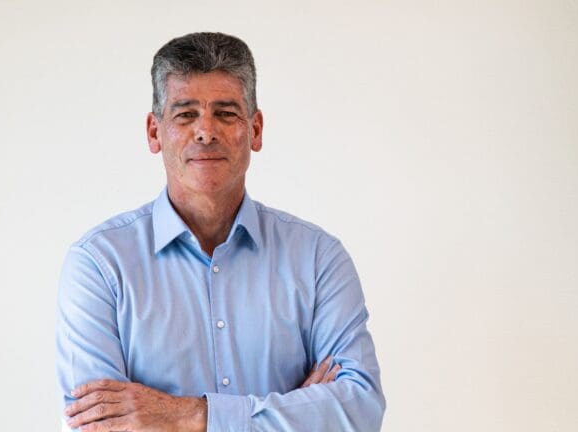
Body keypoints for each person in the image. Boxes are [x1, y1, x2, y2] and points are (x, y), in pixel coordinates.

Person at [56, 32, 385, 431]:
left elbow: (360, 410)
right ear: (154, 132)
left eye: (226, 113)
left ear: (255, 129)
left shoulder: (318, 259)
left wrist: (186, 415)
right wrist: (295, 413)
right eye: (185, 114)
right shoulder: (99, 265)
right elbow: (101, 426)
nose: (206, 132)